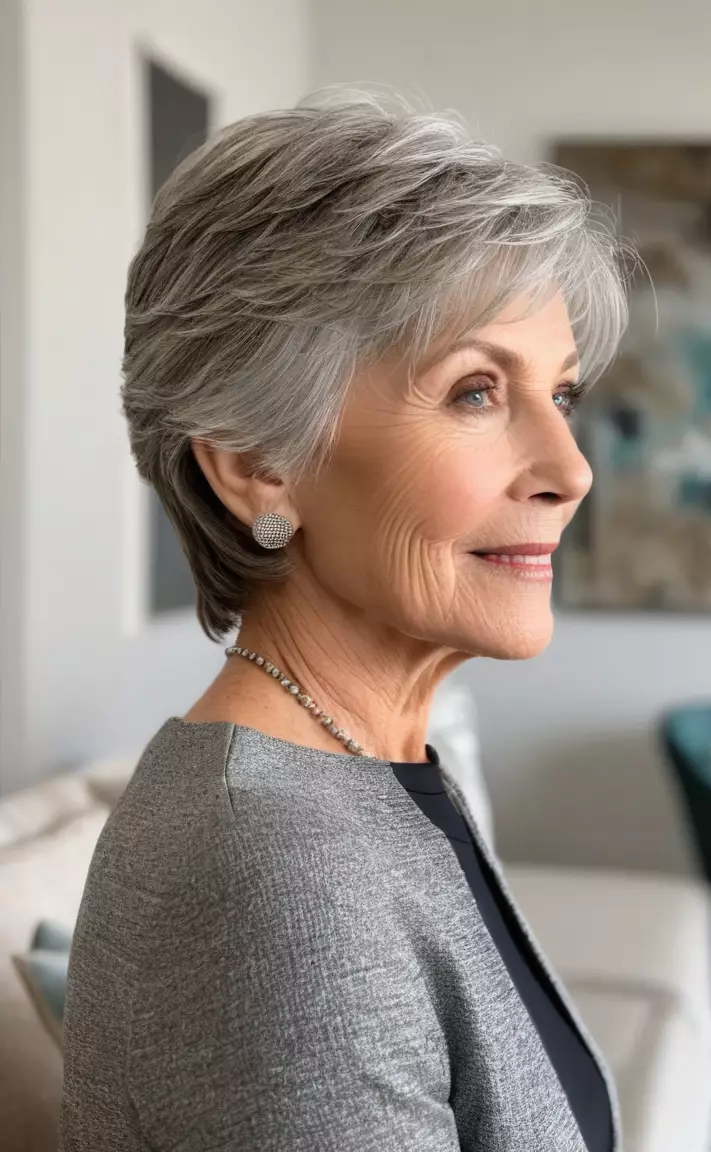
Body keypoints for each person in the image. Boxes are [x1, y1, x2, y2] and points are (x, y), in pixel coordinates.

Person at [60, 85, 632, 1151]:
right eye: (475, 391)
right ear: (257, 465)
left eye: (558, 395)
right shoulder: (272, 870)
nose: (570, 470)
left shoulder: (368, 771)